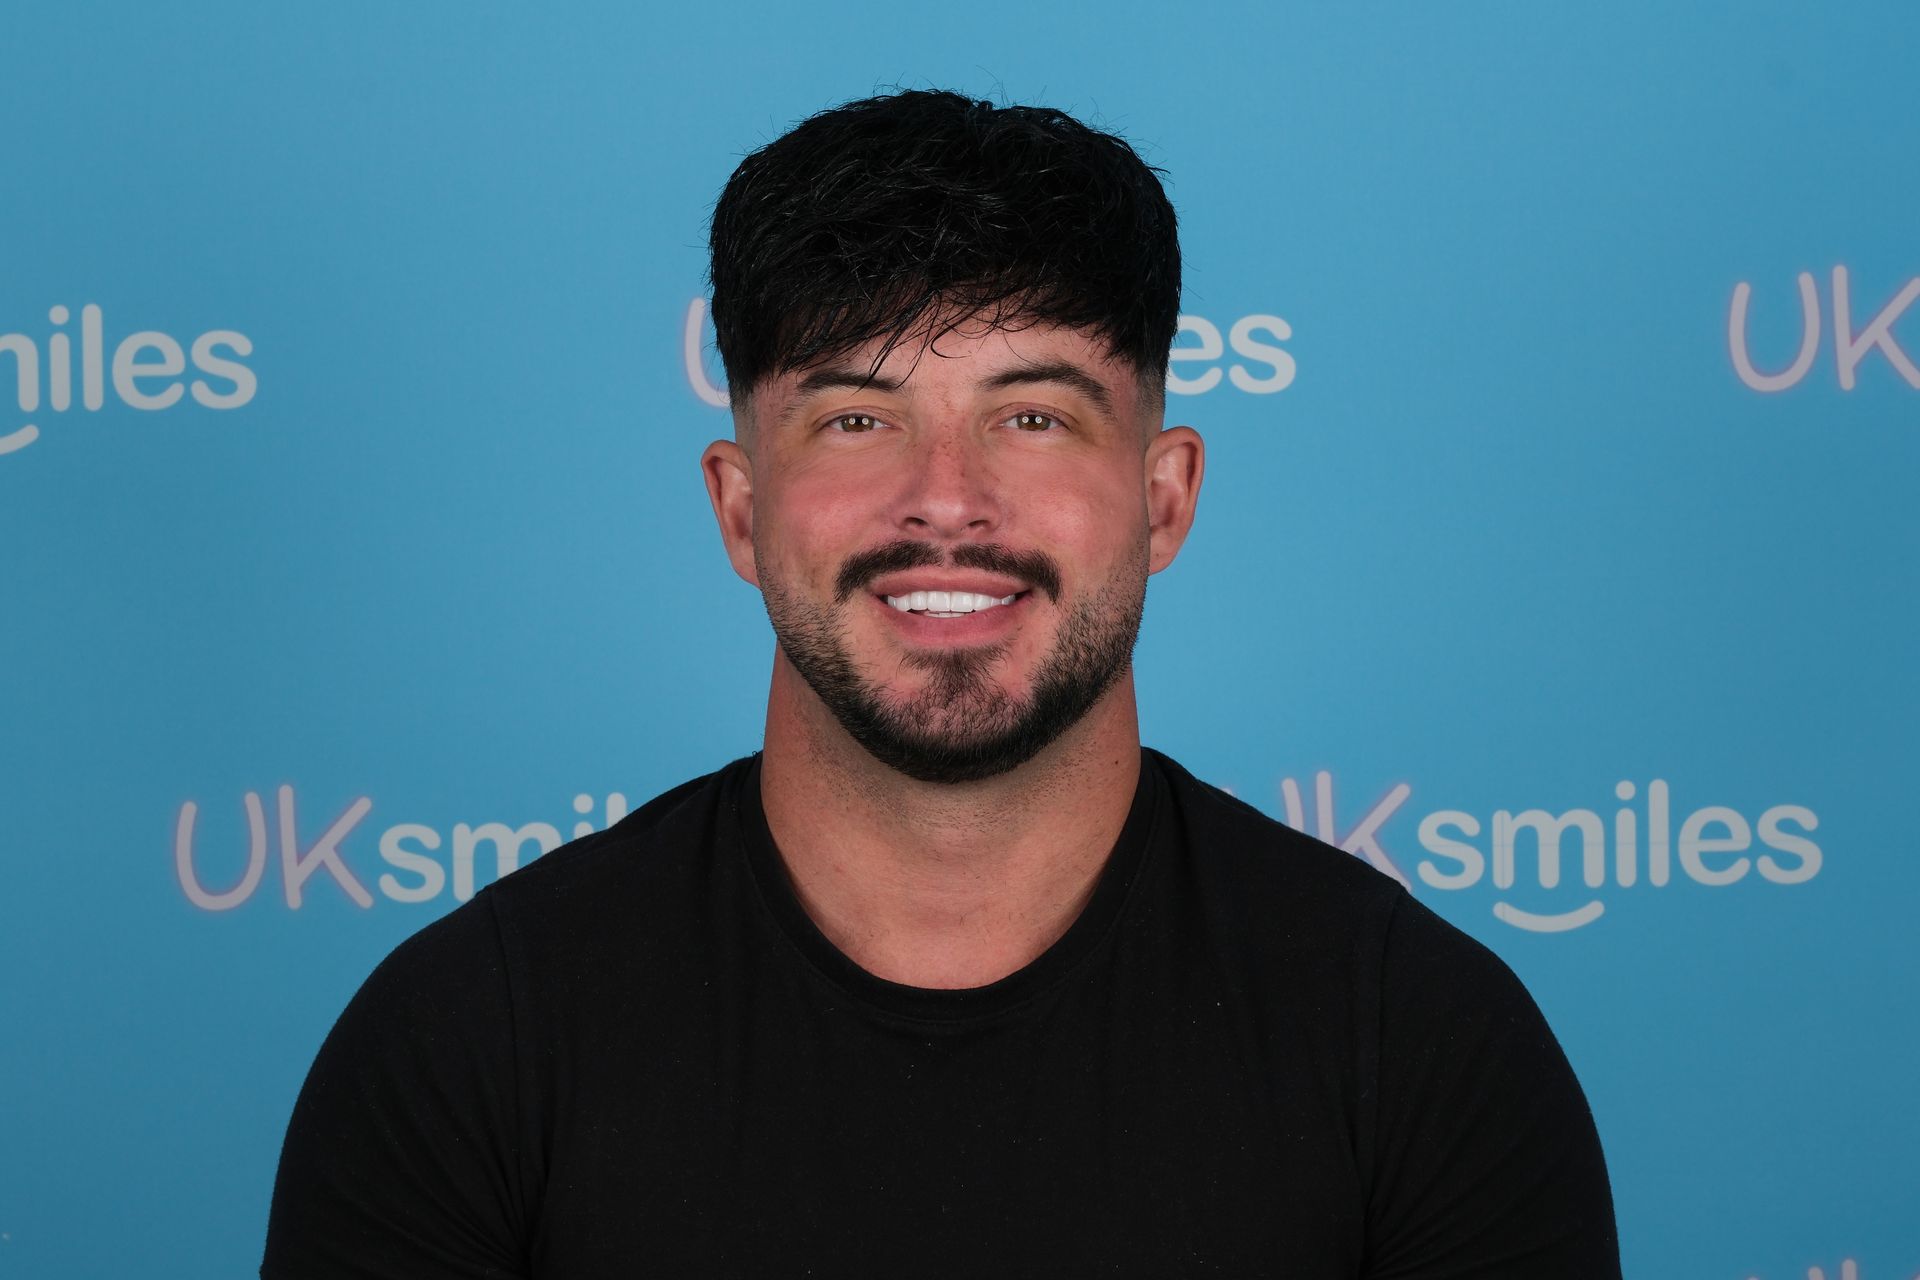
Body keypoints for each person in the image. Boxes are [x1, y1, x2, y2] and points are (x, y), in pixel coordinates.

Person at [262, 90, 1619, 1277]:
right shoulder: (464, 1053)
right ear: (740, 511)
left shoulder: (1427, 1054)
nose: (947, 503)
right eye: (858, 417)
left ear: (1166, 498)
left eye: (1034, 416)